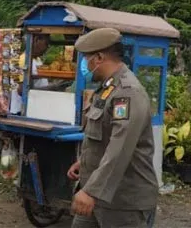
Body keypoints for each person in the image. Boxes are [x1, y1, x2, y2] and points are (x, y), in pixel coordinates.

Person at [66, 28, 158, 228]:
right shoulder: (108, 89)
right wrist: (84, 162)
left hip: (123, 202)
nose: (82, 65)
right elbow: (104, 136)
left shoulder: (128, 92)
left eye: (85, 59)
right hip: (97, 192)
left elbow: (120, 148)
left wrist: (91, 191)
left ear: (99, 57)